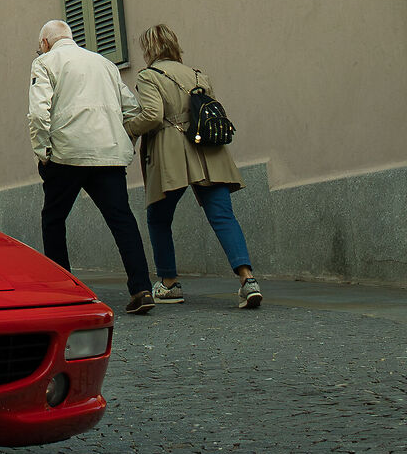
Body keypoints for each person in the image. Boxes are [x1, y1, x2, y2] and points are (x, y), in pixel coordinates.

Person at [128, 23, 262, 308]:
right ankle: (247, 280)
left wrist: (128, 127)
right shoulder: (199, 75)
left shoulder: (149, 76)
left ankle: (168, 283)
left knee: (159, 219)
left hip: (171, 154)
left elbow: (153, 115)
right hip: (208, 152)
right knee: (223, 217)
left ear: (150, 49)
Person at [28, 19, 152, 314]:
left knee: (54, 220)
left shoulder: (45, 62)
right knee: (122, 220)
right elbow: (132, 108)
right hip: (107, 154)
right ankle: (142, 288)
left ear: (45, 43)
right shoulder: (104, 64)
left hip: (66, 153)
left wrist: (42, 150)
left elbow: (38, 113)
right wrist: (124, 140)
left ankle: (64, 291)